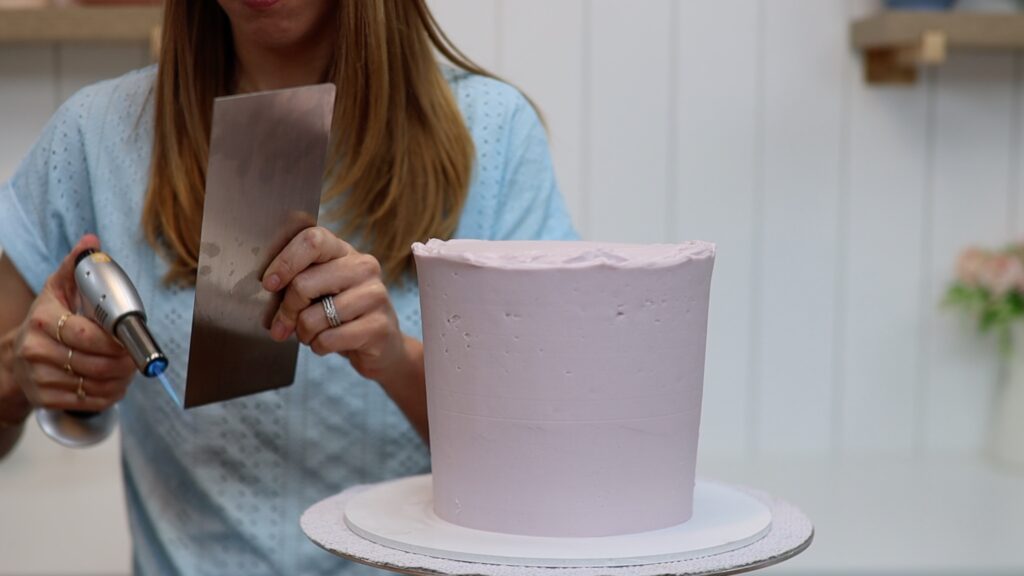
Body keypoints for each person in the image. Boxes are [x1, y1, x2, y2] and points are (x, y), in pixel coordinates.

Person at [0, 0, 576, 573]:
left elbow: (555, 460)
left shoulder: (493, 135)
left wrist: (399, 361)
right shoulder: (96, 135)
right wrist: (23, 374)